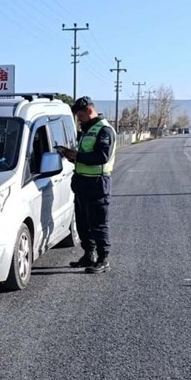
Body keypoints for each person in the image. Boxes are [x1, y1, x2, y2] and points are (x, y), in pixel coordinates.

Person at [57, 96, 115, 273]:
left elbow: (101, 157)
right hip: (82, 183)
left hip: (98, 183)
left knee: (98, 223)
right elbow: (84, 156)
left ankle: (103, 259)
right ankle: (88, 255)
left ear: (90, 111)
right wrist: (70, 156)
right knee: (82, 223)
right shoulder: (88, 129)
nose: (79, 120)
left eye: (80, 116)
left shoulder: (104, 130)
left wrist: (77, 156)